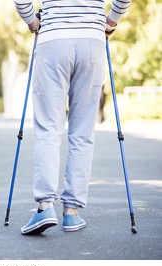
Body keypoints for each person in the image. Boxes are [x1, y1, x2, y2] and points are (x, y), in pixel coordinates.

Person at [14, 0, 131, 234]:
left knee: (48, 127)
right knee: (83, 130)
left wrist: (32, 21)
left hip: (53, 40)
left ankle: (45, 206)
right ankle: (72, 212)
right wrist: (110, 22)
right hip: (92, 40)